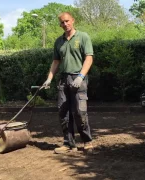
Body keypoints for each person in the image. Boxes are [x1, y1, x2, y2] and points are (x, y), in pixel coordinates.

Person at [42, 12, 94, 154]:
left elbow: (89, 58)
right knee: (63, 112)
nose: (65, 24)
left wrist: (81, 76)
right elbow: (56, 62)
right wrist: (49, 79)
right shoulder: (59, 41)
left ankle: (87, 141)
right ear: (60, 24)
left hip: (78, 79)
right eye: (62, 22)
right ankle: (69, 144)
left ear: (73, 20)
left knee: (80, 112)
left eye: (67, 21)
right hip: (63, 80)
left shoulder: (83, 37)